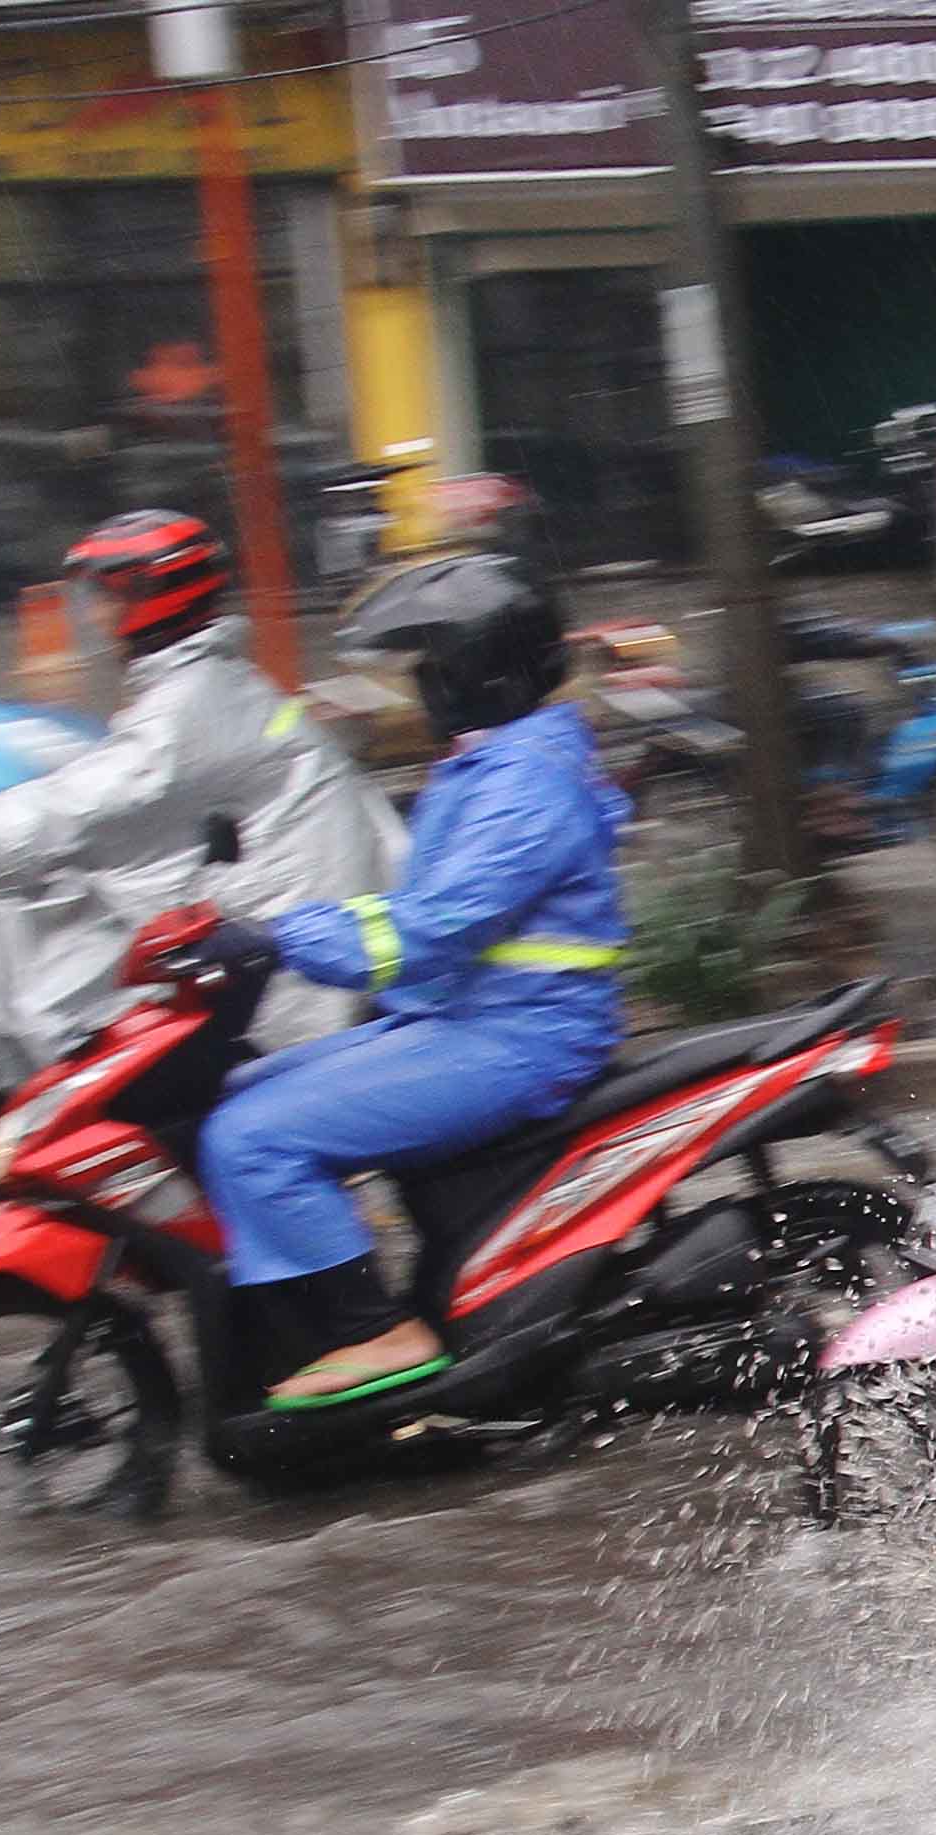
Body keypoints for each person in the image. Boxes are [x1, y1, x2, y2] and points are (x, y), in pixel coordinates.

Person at [193, 553, 630, 1410]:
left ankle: (379, 1333)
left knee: (253, 1137)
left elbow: (429, 930)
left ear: (476, 670)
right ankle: (306, 1311)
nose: (420, 688)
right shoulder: (492, 766)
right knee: (235, 1092)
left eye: (431, 667)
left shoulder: (525, 789)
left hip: (519, 1040)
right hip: (467, 1021)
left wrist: (279, 937)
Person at [0, 509, 399, 1091]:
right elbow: (109, 778)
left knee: (66, 967)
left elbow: (85, 804)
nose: (91, 613)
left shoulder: (194, 701)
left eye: (102, 594)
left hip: (293, 949)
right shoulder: (201, 684)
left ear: (148, 596)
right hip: (283, 910)